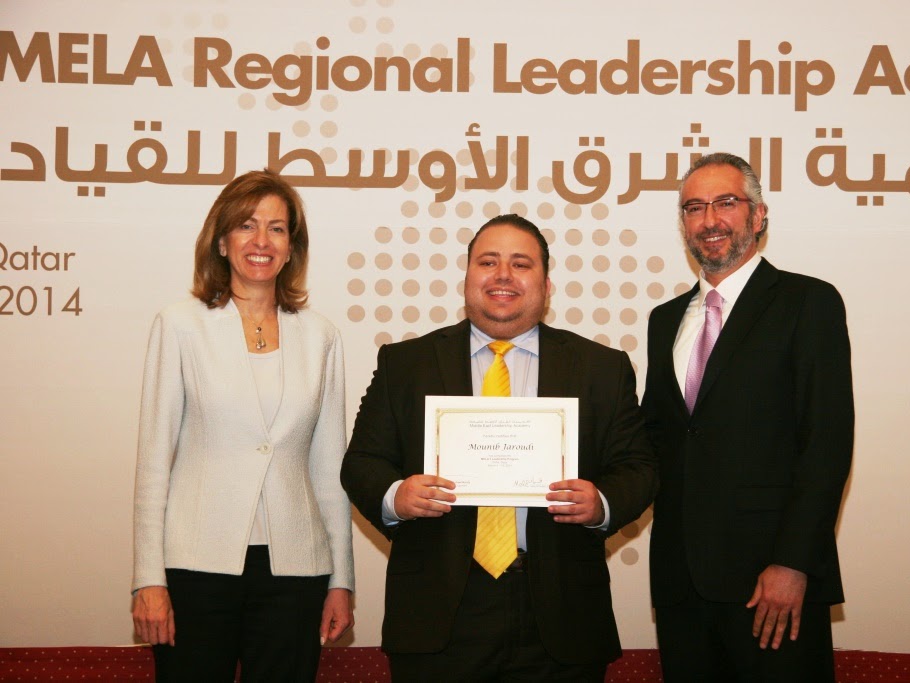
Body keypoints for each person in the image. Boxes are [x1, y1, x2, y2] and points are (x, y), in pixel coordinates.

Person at [341, 214, 658, 682]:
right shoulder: (404, 363)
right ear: (467, 278)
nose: (503, 275)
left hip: (562, 612)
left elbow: (639, 467)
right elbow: (362, 463)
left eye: (521, 264)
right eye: (488, 262)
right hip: (438, 612)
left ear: (546, 286)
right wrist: (396, 496)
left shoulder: (601, 368)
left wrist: (601, 503)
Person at [131, 170, 354, 682]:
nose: (261, 241)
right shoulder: (180, 325)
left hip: (296, 572)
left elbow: (330, 469)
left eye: (277, 229)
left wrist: (341, 580)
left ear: (292, 247)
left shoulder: (321, 336)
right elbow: (153, 463)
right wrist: (148, 578)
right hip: (195, 566)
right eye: (247, 225)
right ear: (222, 241)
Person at [643, 153, 854, 682]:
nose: (709, 220)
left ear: (758, 215)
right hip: (681, 586)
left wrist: (794, 562)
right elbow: (656, 439)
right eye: (694, 207)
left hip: (770, 585)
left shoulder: (808, 302)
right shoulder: (664, 320)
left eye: (726, 203)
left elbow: (826, 444)